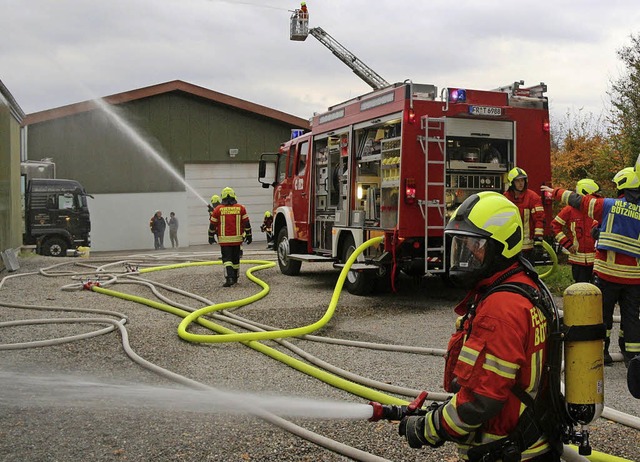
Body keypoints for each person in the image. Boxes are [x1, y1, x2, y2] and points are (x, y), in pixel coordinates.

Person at [398, 191, 558, 460]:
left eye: (475, 246)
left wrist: (431, 426)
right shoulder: (524, 287)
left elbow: (481, 400)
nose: (465, 255)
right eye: (460, 244)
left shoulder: (499, 310)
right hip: (531, 441)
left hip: (506, 449)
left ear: (502, 247)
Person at [542, 167, 640, 368]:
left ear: (622, 186)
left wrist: (556, 192)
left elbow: (581, 201)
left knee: (603, 316)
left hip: (607, 275)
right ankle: (633, 358)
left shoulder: (609, 206)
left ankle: (601, 353)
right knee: (631, 318)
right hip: (635, 279)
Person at [550, 178, 600, 283]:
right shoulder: (569, 210)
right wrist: (567, 244)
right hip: (578, 261)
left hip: (597, 260)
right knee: (580, 290)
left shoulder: (598, 209)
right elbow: (555, 225)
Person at [209, 187, 252, 287]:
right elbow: (247, 223)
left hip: (224, 241)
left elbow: (212, 225)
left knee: (227, 259)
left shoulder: (218, 209)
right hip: (237, 240)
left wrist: (210, 236)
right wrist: (249, 235)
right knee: (236, 259)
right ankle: (236, 277)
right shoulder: (241, 208)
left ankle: (229, 278)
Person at [504, 167, 545, 264]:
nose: (520, 183)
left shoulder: (532, 197)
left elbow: (539, 219)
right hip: (510, 245)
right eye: (517, 181)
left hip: (527, 247)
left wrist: (538, 240)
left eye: (522, 180)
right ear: (511, 182)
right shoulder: (505, 198)